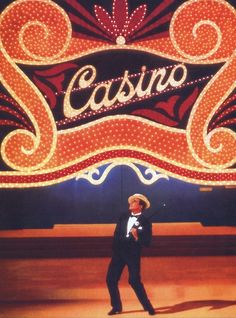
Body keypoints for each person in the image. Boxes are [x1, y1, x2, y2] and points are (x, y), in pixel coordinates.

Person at [106, 193, 156, 316]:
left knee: (134, 281)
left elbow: (147, 242)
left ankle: (148, 306)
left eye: (134, 201)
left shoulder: (145, 222)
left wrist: (136, 236)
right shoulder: (123, 217)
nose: (131, 203)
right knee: (111, 279)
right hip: (119, 253)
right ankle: (116, 307)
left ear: (141, 206)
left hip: (133, 254)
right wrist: (116, 249)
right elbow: (116, 233)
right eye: (131, 201)